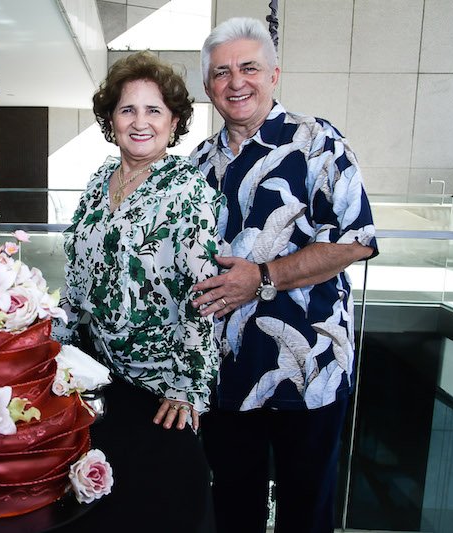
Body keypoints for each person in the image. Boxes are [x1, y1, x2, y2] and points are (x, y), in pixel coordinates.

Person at [189, 17, 379, 533]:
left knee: (306, 512)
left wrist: (265, 276)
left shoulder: (317, 142)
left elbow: (357, 239)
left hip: (310, 372)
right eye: (223, 72)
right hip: (225, 376)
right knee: (231, 511)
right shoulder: (197, 163)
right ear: (208, 87)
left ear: (275, 74)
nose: (237, 82)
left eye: (249, 67)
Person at [53, 51, 224, 532]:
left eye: (154, 111)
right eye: (128, 109)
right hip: (98, 380)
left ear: (174, 122)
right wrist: (54, 340)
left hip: (160, 388)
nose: (140, 121)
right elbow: (78, 275)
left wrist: (187, 386)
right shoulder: (97, 183)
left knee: (160, 512)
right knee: (100, 509)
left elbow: (203, 292)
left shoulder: (188, 189)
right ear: (111, 119)